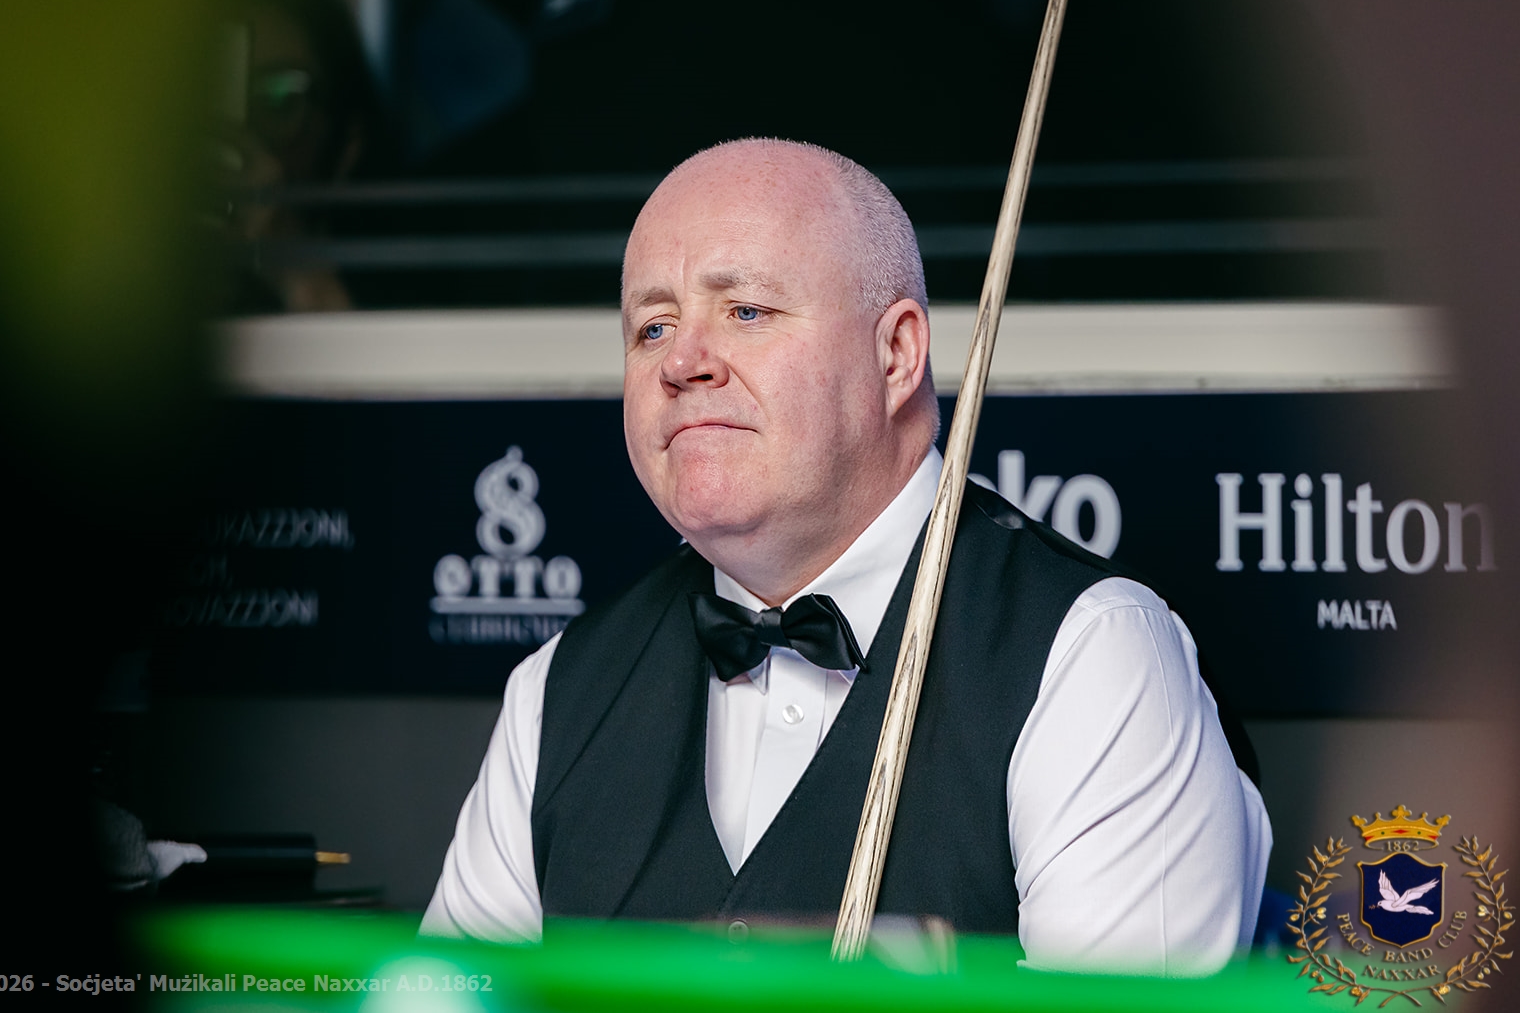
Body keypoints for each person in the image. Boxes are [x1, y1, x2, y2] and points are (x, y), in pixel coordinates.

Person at [422, 138, 1271, 976]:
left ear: (895, 354)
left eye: (746, 311)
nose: (679, 362)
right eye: (652, 327)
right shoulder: (556, 690)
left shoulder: (1093, 657)